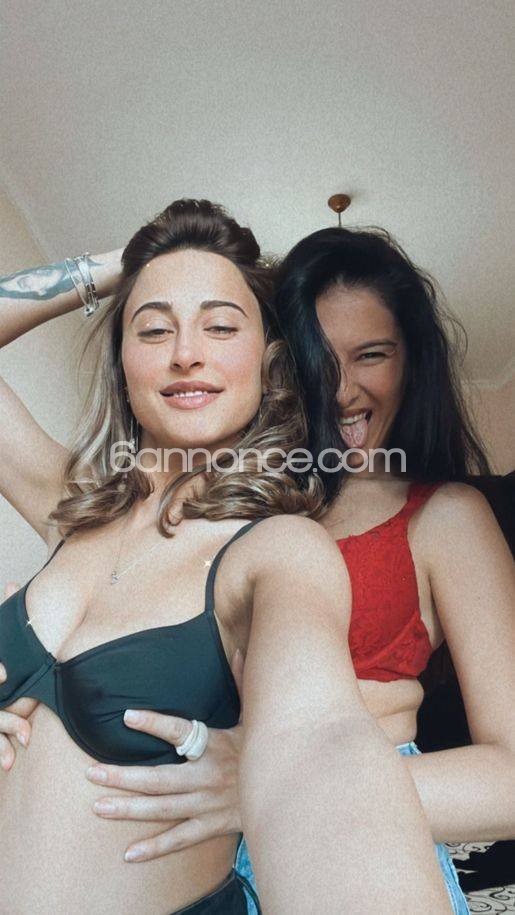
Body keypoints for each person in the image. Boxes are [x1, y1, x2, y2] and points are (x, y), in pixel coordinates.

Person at [0, 201, 454, 914]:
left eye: (220, 326)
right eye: (154, 328)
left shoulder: (277, 550)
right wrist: (130, 264)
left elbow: (322, 741)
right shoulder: (71, 503)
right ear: (122, 362)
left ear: (269, 363)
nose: (186, 351)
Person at [84, 225, 515, 915]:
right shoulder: (214, 510)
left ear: (411, 361)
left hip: (357, 858)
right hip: (190, 871)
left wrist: (273, 786)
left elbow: (510, 780)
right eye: (317, 358)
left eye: (371, 354)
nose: (341, 390)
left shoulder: (443, 517)